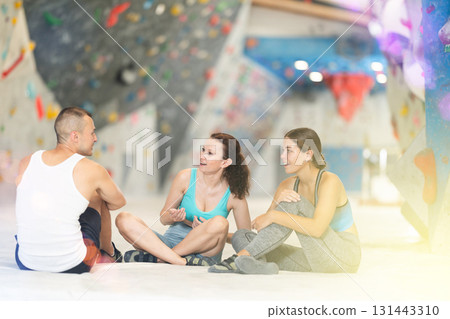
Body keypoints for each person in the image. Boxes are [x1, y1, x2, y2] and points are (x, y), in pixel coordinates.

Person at [209, 127, 361, 274]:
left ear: (308, 155)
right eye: (283, 151)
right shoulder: (287, 185)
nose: (282, 156)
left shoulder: (329, 182)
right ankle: (259, 266)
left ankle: (241, 258)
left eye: (289, 151)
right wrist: (276, 204)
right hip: (314, 258)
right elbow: (263, 230)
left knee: (293, 202)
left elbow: (317, 229)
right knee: (242, 235)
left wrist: (274, 215)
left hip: (344, 258)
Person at [15, 107, 126, 274]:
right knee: (97, 194)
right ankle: (108, 252)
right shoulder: (92, 169)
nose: (95, 139)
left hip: (26, 262)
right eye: (92, 133)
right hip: (75, 264)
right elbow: (118, 202)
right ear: (75, 136)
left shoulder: (26, 161)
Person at [116, 133, 251, 266]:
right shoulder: (185, 177)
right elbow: (163, 218)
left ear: (225, 162)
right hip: (169, 244)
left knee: (220, 223)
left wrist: (211, 230)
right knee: (124, 219)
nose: (202, 156)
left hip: (204, 254)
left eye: (209, 153)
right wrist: (175, 217)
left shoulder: (234, 195)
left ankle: (162, 258)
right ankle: (177, 260)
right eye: (203, 150)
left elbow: (246, 240)